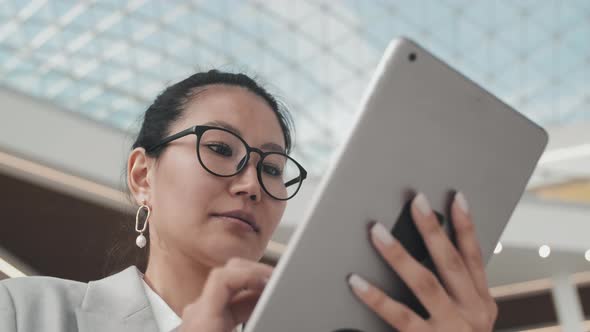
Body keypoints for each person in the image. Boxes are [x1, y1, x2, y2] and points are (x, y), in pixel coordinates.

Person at [0, 70, 497, 332]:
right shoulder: (23, 313)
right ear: (142, 175)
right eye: (220, 148)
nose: (252, 183)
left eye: (273, 168)